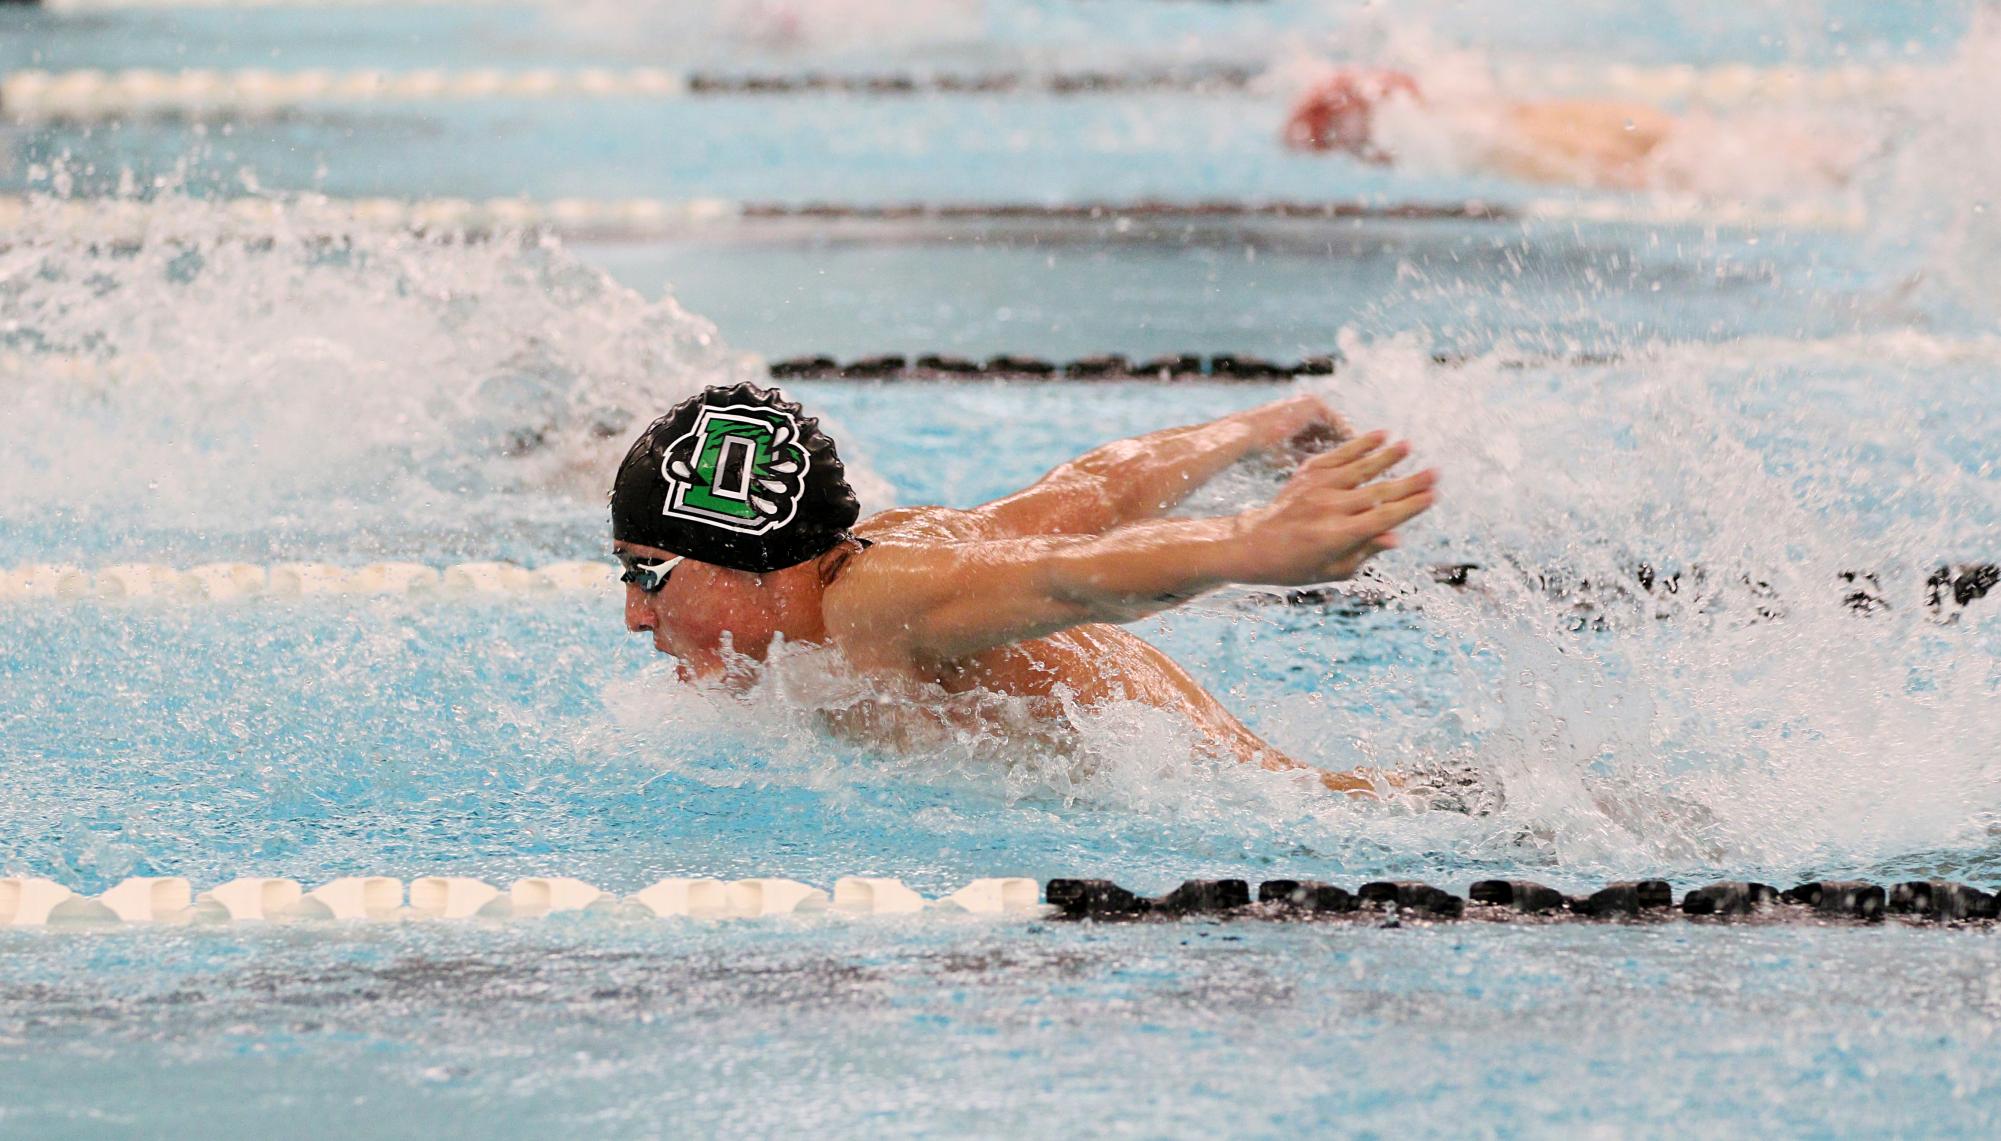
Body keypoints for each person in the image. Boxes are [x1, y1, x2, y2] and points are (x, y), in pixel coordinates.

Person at [611, 382, 1436, 796]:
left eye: (646, 573)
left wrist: (1246, 544)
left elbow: (1073, 581)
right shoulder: (883, 557)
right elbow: (1084, 496)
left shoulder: (873, 602)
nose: (634, 615)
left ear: (741, 556)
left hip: (1261, 802)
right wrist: (1255, 432)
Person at [1284, 68, 1856, 193]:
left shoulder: (1484, 142)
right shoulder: (1484, 107)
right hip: (1630, 117)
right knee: (1738, 146)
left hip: (1619, 146)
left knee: (1691, 170)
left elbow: (1605, 167)